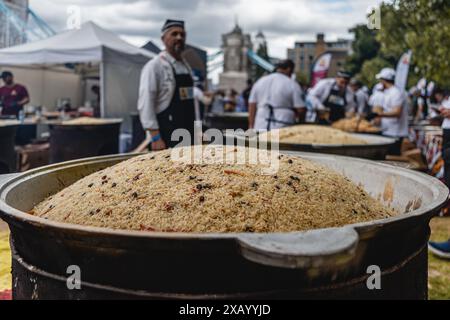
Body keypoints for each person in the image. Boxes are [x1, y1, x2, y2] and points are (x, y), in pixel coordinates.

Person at [138, 19, 195, 150]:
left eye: (182, 34)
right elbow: (146, 102)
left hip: (188, 133)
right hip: (166, 134)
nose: (179, 37)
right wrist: (156, 137)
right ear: (163, 39)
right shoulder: (154, 66)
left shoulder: (186, 66)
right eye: (174, 34)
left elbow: (191, 102)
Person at [248, 59, 305, 131]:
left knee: (261, 142)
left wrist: (251, 126)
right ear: (289, 69)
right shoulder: (292, 84)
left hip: (260, 123)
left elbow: (252, 106)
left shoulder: (260, 81)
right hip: (283, 125)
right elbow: (301, 109)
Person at [373, 68, 408, 155]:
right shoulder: (389, 92)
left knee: (392, 158)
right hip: (387, 131)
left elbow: (397, 112)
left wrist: (378, 114)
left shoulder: (396, 93)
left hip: (395, 133)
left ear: (384, 80)